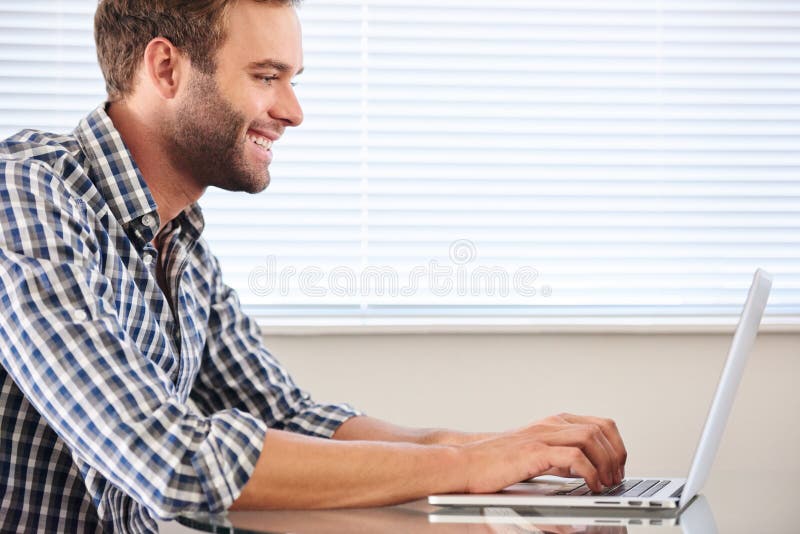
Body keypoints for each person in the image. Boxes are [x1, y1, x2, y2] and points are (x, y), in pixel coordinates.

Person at [0, 1, 627, 532]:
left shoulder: (179, 241)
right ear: (166, 68)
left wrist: (489, 448)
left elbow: (288, 418)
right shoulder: (24, 198)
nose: (294, 111)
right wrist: (462, 470)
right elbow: (171, 457)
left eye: (292, 78)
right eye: (267, 76)